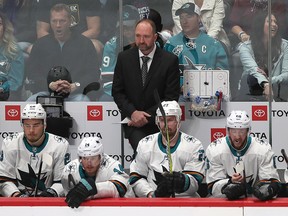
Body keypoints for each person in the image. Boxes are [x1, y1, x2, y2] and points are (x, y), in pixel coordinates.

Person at [112, 19, 180, 153]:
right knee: (144, 150)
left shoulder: (169, 60)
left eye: (146, 36)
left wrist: (146, 116)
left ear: (155, 37)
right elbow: (117, 92)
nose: (141, 40)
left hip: (160, 122)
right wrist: (133, 113)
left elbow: (171, 97)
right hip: (132, 122)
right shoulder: (124, 58)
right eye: (138, 36)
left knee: (158, 155)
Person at [129, 100, 205, 197]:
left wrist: (182, 181)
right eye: (162, 120)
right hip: (154, 204)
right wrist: (151, 194)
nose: (165, 124)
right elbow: (136, 177)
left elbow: (196, 181)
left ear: (178, 121)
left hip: (185, 203)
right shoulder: (145, 144)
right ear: (157, 121)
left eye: (169, 120)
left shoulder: (194, 145)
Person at [26, 4, 100, 99]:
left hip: (76, 94)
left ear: (70, 22)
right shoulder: (40, 44)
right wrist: (49, 84)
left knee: (83, 102)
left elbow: (93, 73)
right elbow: (32, 73)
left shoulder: (85, 43)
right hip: (46, 92)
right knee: (30, 103)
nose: (58, 25)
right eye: (54, 21)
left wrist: (76, 85)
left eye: (62, 21)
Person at [205, 110, 281, 200]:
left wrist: (266, 189)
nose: (237, 136)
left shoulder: (263, 149)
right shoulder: (215, 149)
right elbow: (213, 187)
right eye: (233, 131)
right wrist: (229, 183)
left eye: (241, 131)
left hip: (254, 201)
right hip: (224, 200)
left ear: (248, 131)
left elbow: (270, 180)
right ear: (228, 131)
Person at [0, 103, 70, 197]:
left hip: (48, 200)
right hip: (17, 200)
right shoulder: (10, 143)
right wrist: (17, 195)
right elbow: (4, 180)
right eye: (27, 125)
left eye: (36, 125)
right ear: (22, 125)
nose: (31, 130)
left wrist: (51, 193)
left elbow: (63, 181)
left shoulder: (60, 145)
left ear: (44, 125)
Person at [164, 2, 229, 101]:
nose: (184, 21)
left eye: (189, 16)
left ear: (199, 18)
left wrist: (209, 88)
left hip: (210, 94)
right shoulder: (171, 44)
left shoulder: (213, 44)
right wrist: (181, 86)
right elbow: (165, 74)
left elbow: (222, 73)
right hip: (179, 96)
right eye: (181, 17)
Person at [62, 137, 134, 208]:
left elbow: (120, 187)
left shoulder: (112, 165)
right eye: (85, 158)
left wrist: (93, 188)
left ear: (101, 157)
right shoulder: (70, 171)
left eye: (93, 158)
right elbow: (69, 197)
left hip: (120, 209)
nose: (89, 163)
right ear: (80, 158)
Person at [238, 12, 288, 102]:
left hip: (276, 92)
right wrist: (265, 84)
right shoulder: (245, 47)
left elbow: (286, 73)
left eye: (275, 22)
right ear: (260, 25)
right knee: (249, 77)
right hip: (251, 91)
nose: (274, 24)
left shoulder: (285, 46)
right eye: (269, 21)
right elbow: (253, 70)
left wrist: (269, 80)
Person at [36, 0, 103, 56]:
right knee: (36, 48)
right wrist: (57, 44)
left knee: (95, 46)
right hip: (54, 41)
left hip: (82, 40)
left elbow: (94, 30)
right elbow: (41, 32)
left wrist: (71, 42)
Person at [0, 12, 24, 101]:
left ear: (4, 28)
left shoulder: (14, 50)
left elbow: (16, 81)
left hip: (6, 94)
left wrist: (2, 88)